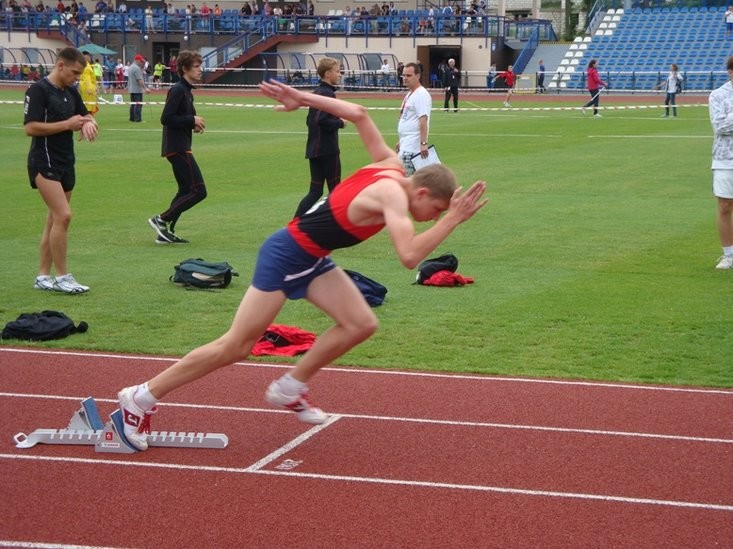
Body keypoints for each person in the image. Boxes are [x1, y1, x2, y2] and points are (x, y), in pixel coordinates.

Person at [115, 78, 487, 451]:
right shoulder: (392, 194)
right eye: (434, 210)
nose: (431, 217)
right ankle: (142, 396)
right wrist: (452, 220)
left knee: (360, 323)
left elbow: (357, 113)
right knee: (236, 346)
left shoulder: (390, 165)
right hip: (286, 254)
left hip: (312, 257)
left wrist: (303, 98)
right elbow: (409, 256)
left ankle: (290, 387)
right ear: (421, 192)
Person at [24, 46, 99, 294]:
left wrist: (89, 123)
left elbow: (86, 115)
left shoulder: (71, 91)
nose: (77, 78)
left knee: (54, 220)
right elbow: (31, 127)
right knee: (64, 215)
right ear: (60, 66)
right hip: (43, 160)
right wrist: (68, 124)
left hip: (66, 160)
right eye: (75, 73)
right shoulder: (38, 90)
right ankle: (63, 276)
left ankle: (42, 276)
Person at [148, 50, 207, 244]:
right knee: (198, 190)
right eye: (196, 66)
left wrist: (193, 123)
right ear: (184, 69)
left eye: (200, 66)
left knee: (184, 191)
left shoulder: (187, 91)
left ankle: (164, 233)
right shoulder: (179, 89)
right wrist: (192, 119)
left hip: (180, 146)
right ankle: (161, 219)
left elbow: (180, 118)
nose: (201, 70)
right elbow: (166, 118)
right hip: (178, 148)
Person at [293, 57, 345, 218]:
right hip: (328, 150)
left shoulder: (317, 93)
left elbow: (309, 120)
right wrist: (340, 123)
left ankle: (294, 224)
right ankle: (332, 226)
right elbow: (320, 120)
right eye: (337, 71)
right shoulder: (327, 94)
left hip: (314, 149)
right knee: (336, 192)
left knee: (315, 191)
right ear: (328, 73)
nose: (340, 74)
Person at [709, 55, 733, 270]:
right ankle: (729, 254)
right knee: (725, 206)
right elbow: (720, 127)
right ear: (730, 72)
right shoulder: (718, 95)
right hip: (726, 158)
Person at [396, 62, 432, 176]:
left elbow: (423, 120)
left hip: (413, 149)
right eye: (404, 75)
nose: (405, 78)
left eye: (409, 75)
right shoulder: (410, 94)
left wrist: (423, 143)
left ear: (418, 76)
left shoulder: (421, 94)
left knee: (408, 184)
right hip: (406, 145)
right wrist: (401, 140)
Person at [127, 54, 151, 122]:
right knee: (138, 105)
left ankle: (132, 118)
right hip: (137, 90)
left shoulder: (130, 67)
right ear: (136, 60)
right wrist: (145, 88)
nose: (142, 63)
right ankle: (138, 119)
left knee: (133, 104)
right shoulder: (137, 68)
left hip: (131, 89)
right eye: (141, 61)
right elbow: (139, 80)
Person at [79, 50, 98, 115]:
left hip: (86, 87)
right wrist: (89, 89)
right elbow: (87, 79)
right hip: (88, 89)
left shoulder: (86, 65)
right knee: (88, 107)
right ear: (85, 56)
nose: (90, 57)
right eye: (89, 56)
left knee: (88, 106)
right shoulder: (86, 67)